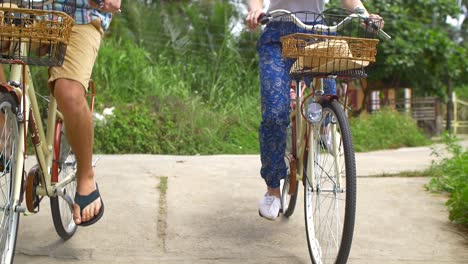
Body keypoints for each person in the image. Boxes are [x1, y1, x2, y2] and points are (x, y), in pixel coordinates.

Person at [246, 0, 384, 221]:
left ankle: (326, 129)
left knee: (328, 96)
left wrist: (365, 15)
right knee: (275, 112)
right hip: (277, 35)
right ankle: (273, 188)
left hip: (318, 33)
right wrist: (255, 9)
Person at [48, 0, 121, 226]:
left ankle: (86, 175)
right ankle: (4, 136)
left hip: (76, 15)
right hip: (22, 9)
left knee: (69, 92)